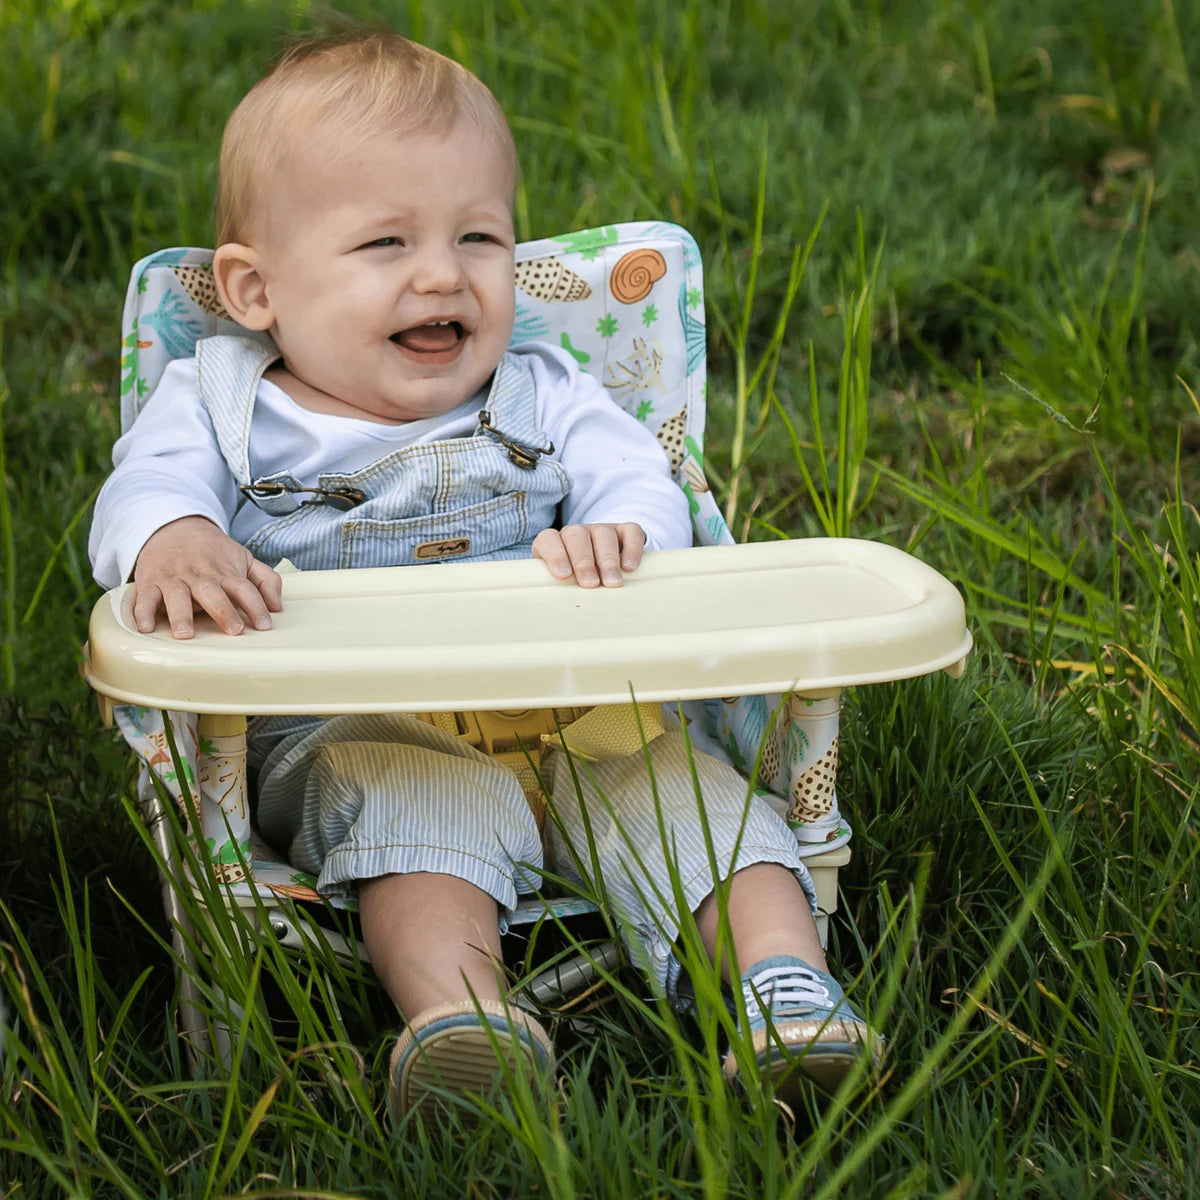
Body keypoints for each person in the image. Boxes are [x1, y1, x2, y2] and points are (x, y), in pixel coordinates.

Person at [88, 30, 879, 1119]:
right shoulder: (220, 404)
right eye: (384, 243)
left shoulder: (542, 388)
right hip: (355, 720)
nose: (442, 274)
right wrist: (174, 538)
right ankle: (465, 1021)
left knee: (697, 803)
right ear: (255, 288)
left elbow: (643, 482)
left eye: (479, 236)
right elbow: (142, 493)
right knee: (419, 812)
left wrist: (621, 532)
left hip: (583, 712)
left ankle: (784, 988)